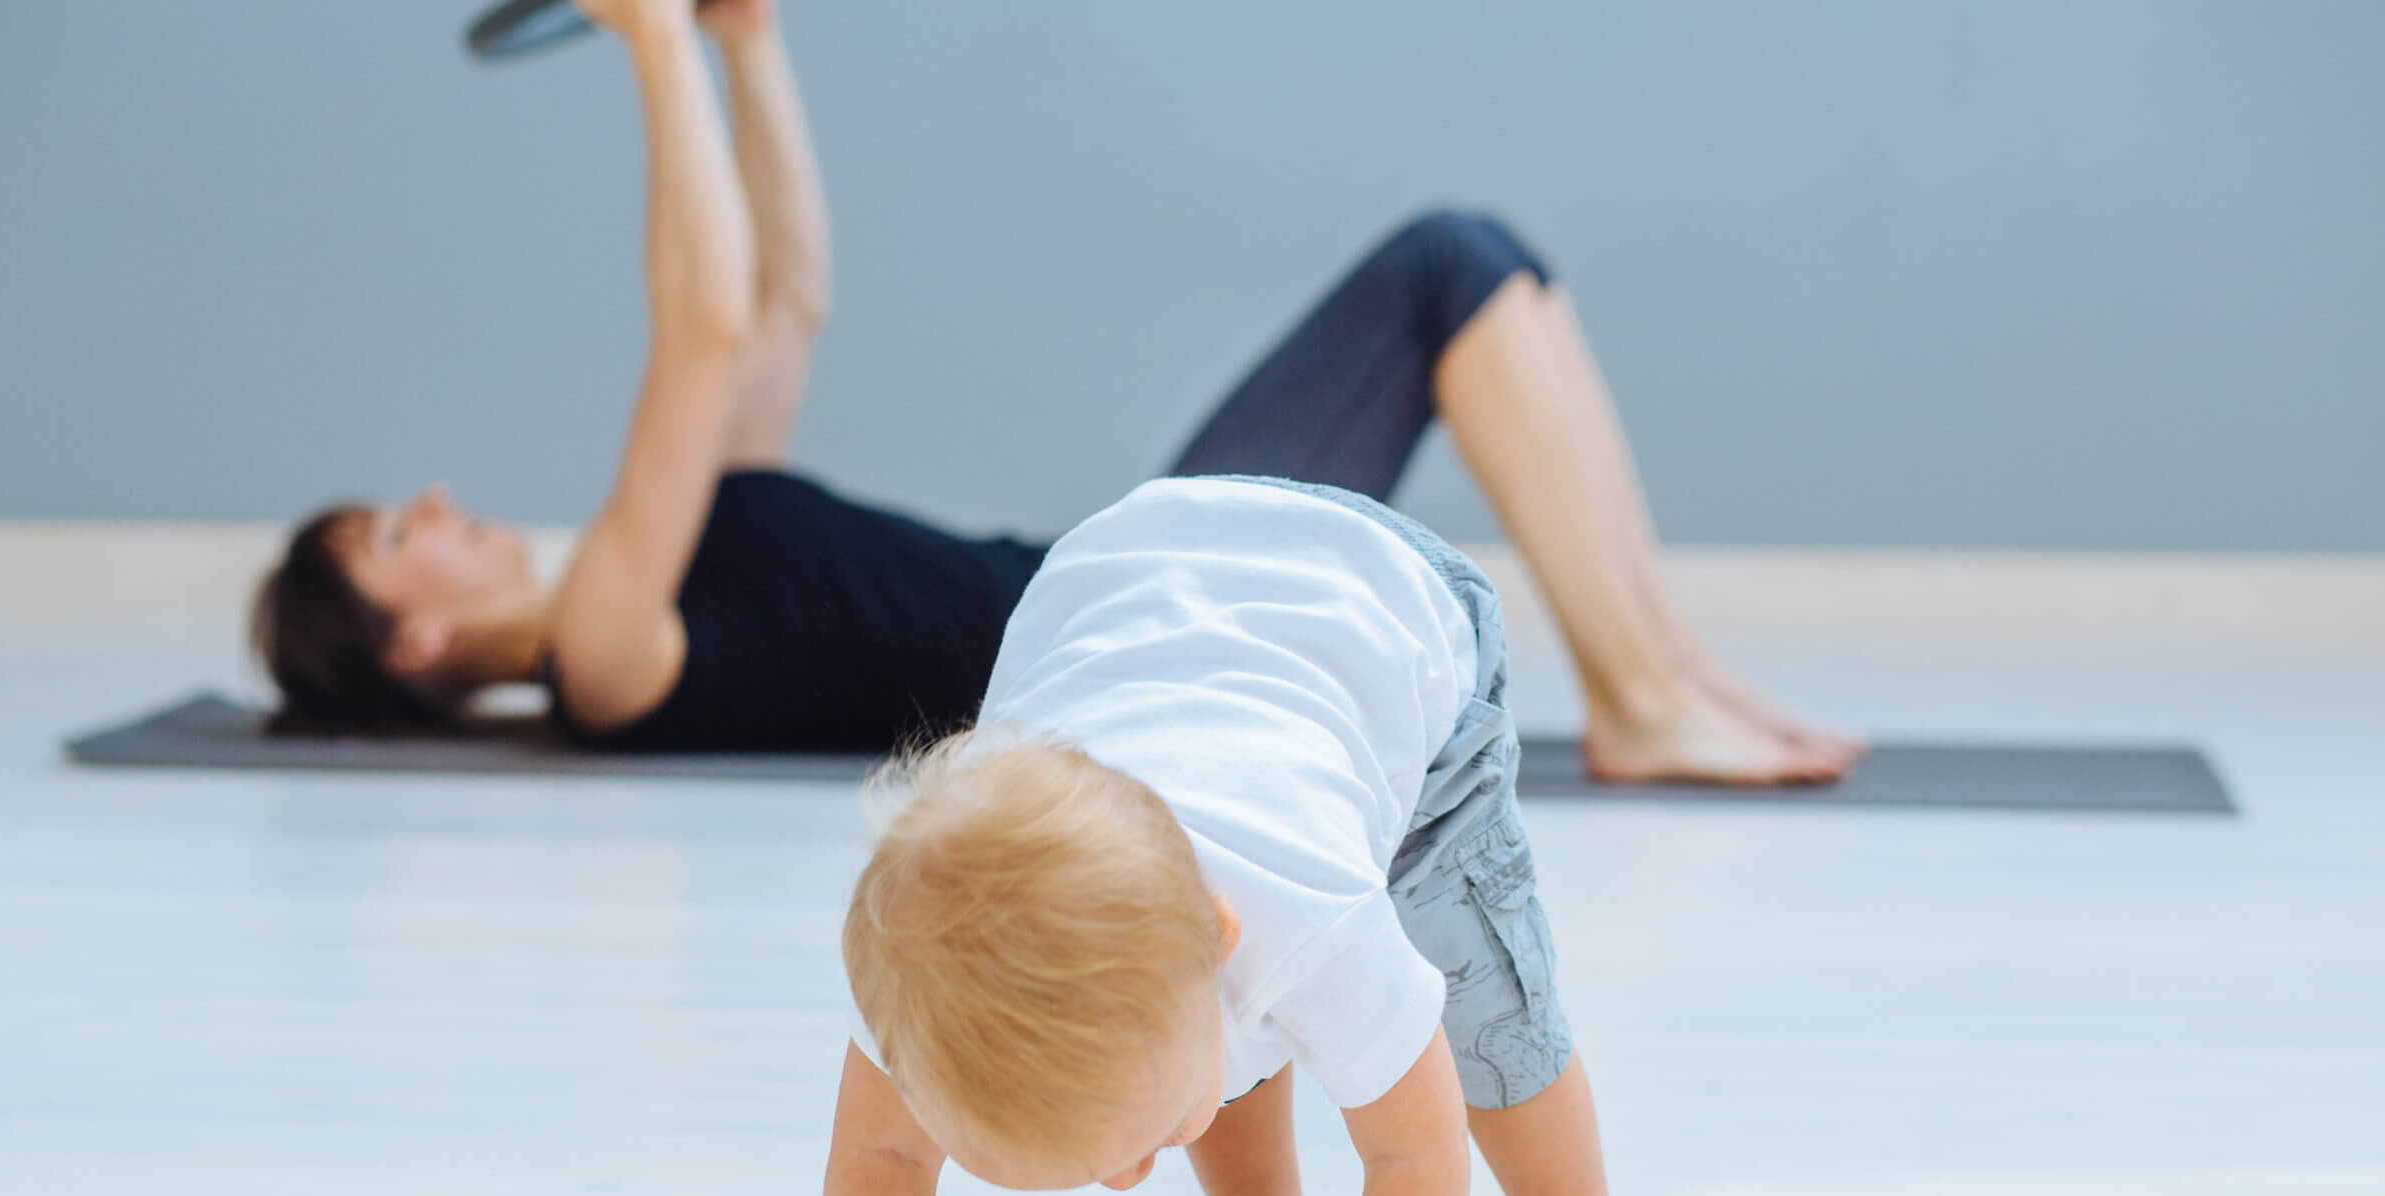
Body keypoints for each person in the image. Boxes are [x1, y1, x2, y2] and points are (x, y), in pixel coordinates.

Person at [253, 0, 1856, 784]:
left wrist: (742, 44)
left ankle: (1669, 671)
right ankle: (1641, 701)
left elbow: (780, 305)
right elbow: (699, 326)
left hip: (1120, 590)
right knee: (1450, 264)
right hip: (1136, 626)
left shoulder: (659, 576)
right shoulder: (610, 651)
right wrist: (651, 50)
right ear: (407, 638)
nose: (444, 507)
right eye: (404, 533)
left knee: (1466, 262)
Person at [772, 472, 1646, 1196]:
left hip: (1388, 610)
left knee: (1489, 1004)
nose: (1127, 1176)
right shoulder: (915, 964)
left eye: (1132, 1143)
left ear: (1227, 934)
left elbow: (1417, 1155)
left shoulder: (1313, 920)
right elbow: (878, 1163)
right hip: (1129, 576)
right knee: (1186, 1045)